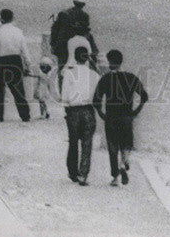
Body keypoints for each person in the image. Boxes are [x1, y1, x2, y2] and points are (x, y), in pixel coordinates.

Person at [93, 49, 149, 186]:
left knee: (112, 146)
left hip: (111, 117)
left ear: (110, 62)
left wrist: (101, 114)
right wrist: (136, 111)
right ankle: (123, 163)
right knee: (126, 143)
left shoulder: (106, 79)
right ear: (121, 62)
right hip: (126, 117)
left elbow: (96, 100)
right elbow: (144, 96)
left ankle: (115, 176)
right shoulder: (130, 77)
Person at [60, 44, 99, 185]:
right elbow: (97, 95)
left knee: (73, 142)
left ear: (75, 58)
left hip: (73, 110)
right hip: (88, 110)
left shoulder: (69, 73)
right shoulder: (94, 75)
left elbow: (64, 95)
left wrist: (66, 108)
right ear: (87, 58)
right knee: (87, 143)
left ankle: (72, 172)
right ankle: (83, 174)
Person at [0, 8, 32, 122]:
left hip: (0, 61)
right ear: (12, 18)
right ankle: (25, 115)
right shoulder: (18, 32)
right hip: (15, 60)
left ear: (1, 19)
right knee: (18, 90)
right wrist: (28, 65)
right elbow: (24, 50)